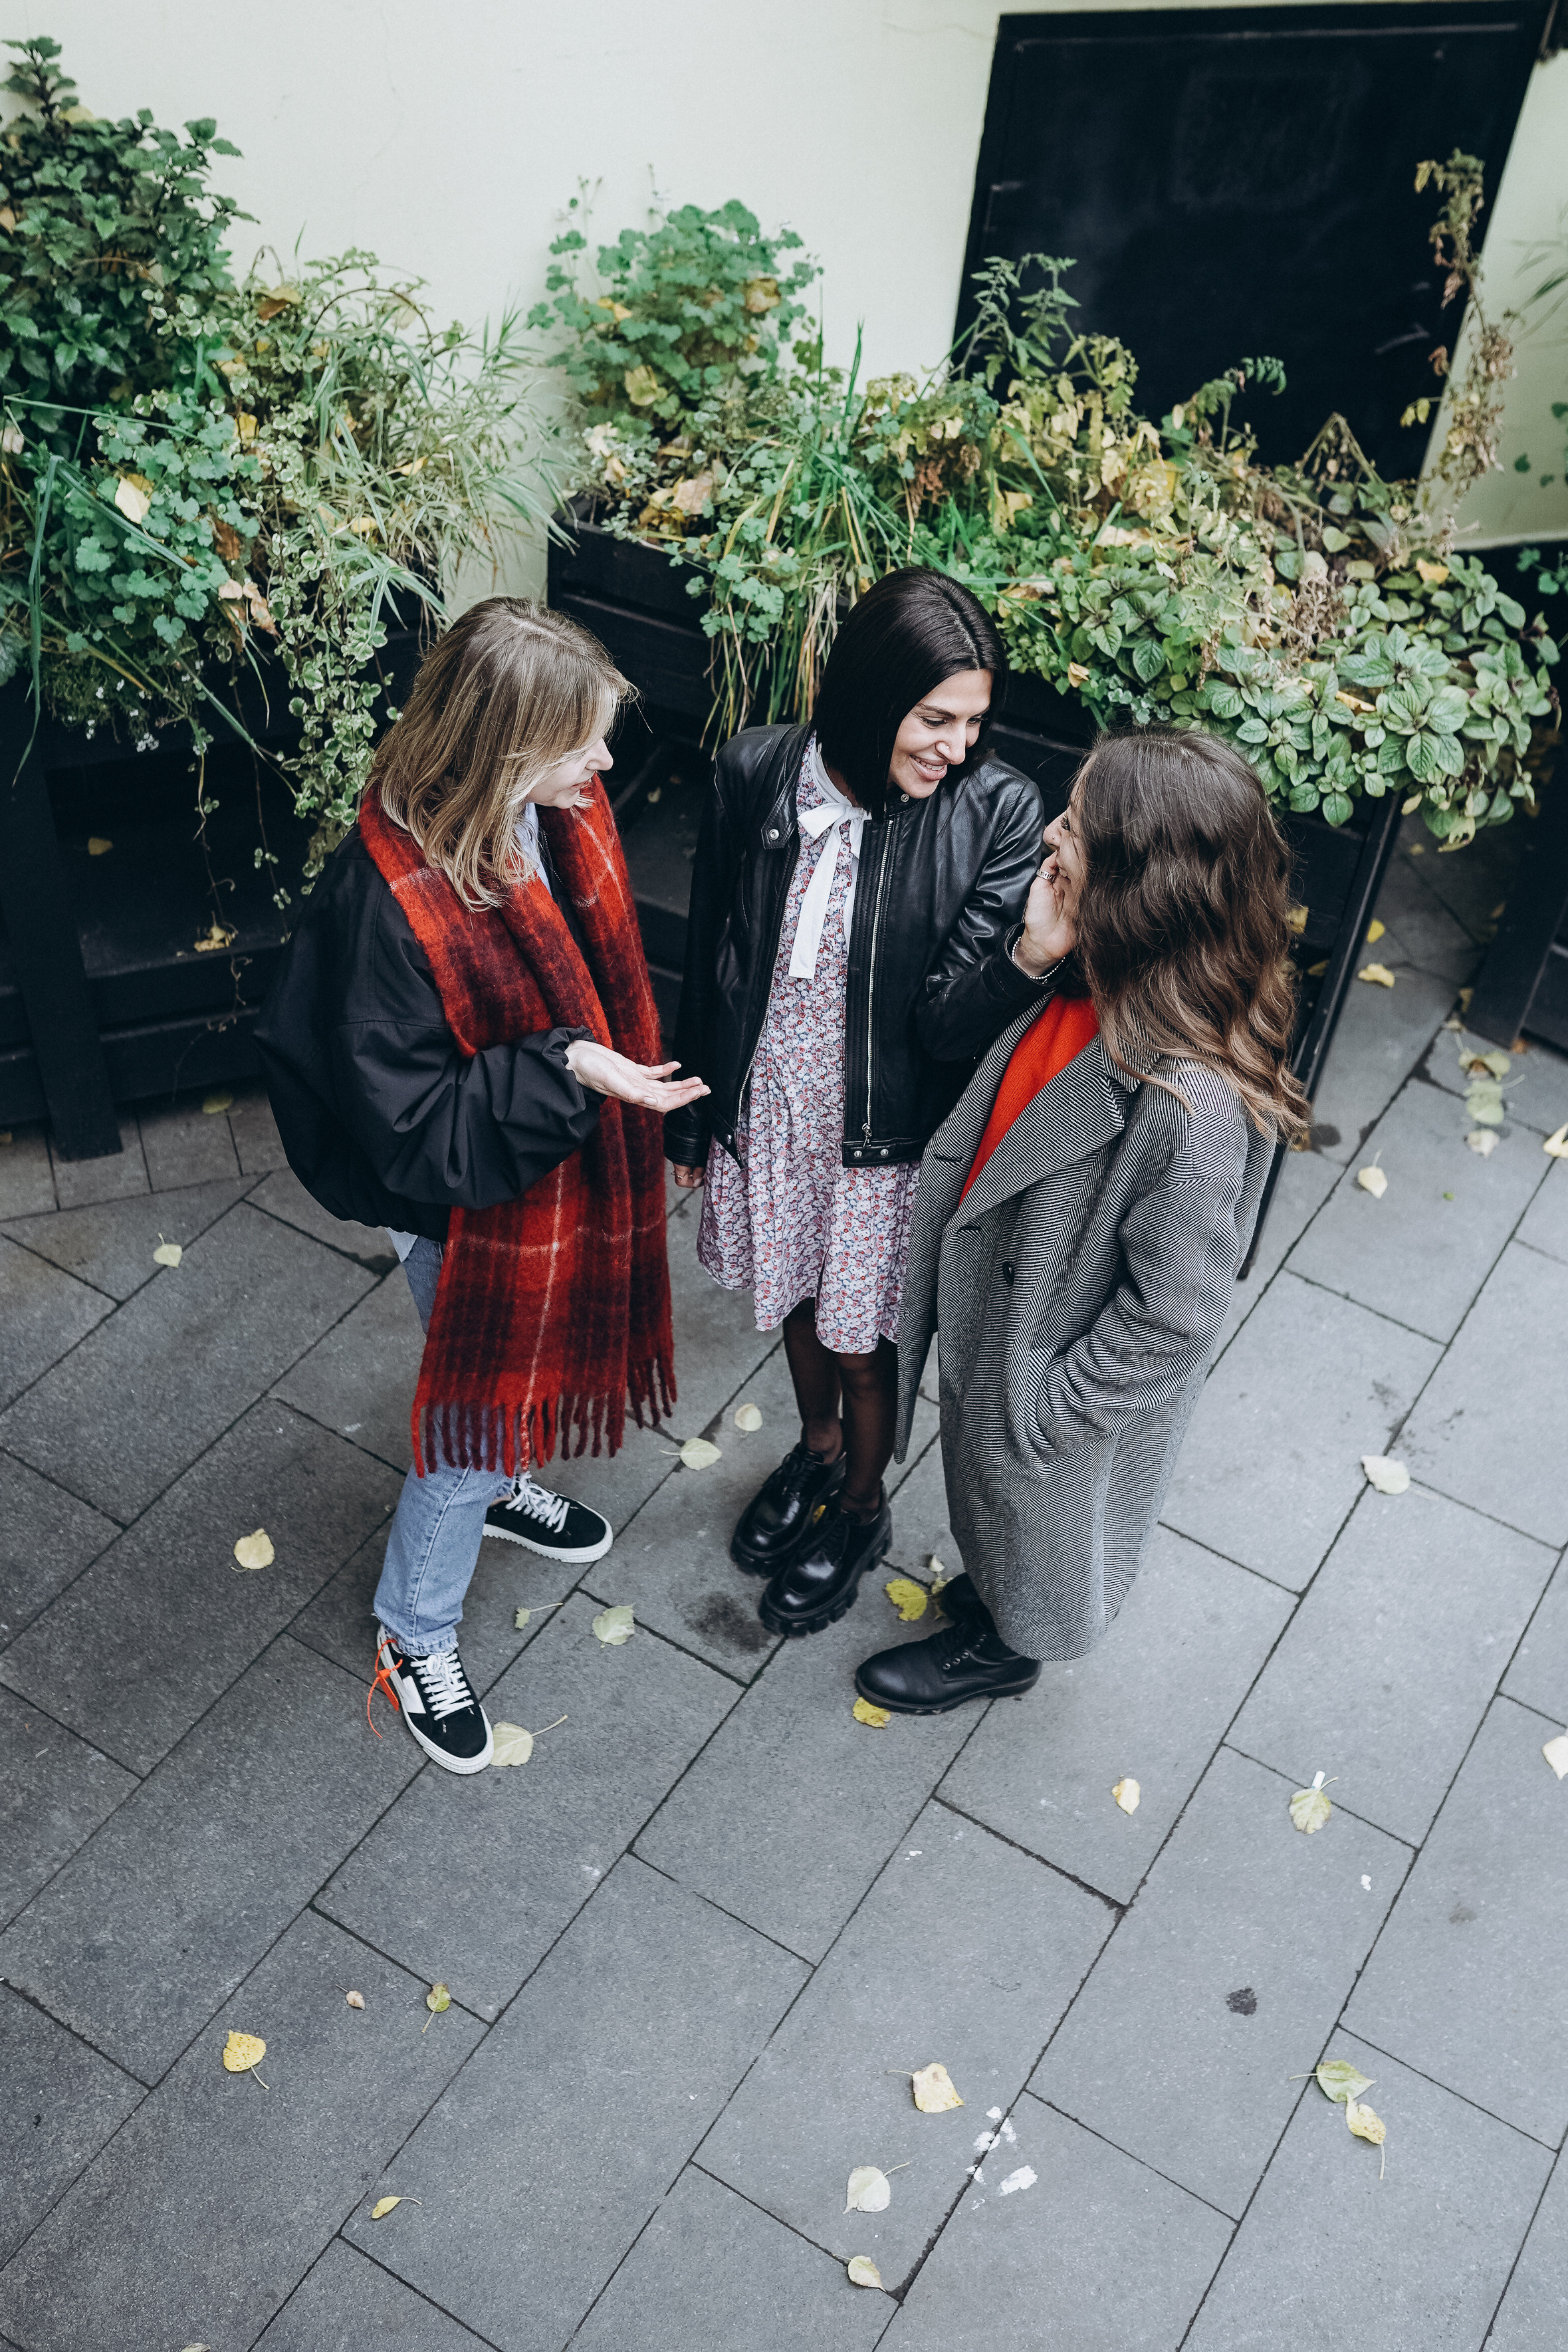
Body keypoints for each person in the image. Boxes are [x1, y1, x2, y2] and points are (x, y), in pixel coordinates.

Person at [257, 599, 706, 1772]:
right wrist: (572, 1066)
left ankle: (503, 1478)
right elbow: (419, 1136)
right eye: (584, 745)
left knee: (503, 1398)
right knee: (473, 1412)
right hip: (450, 1202)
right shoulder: (390, 911)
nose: (607, 767)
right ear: (509, 750)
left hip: (521, 1171)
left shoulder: (531, 813)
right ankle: (415, 1632)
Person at [851, 725, 1309, 1713]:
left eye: (1077, 827)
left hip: (1045, 1372)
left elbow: (1177, 1315)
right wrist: (1036, 947)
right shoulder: (1095, 976)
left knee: (1029, 1534)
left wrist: (1043, 1413)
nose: (1051, 835)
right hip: (1011, 1317)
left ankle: (1006, 1646)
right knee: (990, 1503)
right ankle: (995, 1599)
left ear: (1141, 886)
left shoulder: (1190, 1109)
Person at [665, 566, 1052, 1637]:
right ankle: (820, 1449)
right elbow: (713, 956)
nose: (957, 746)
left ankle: (863, 1508)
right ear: (876, 695)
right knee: (793, 1298)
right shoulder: (756, 771)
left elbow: (941, 1027)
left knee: (857, 1340)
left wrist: (1029, 955)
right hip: (773, 1105)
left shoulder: (996, 812)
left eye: (974, 722)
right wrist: (694, 1114)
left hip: (878, 1141)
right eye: (936, 718)